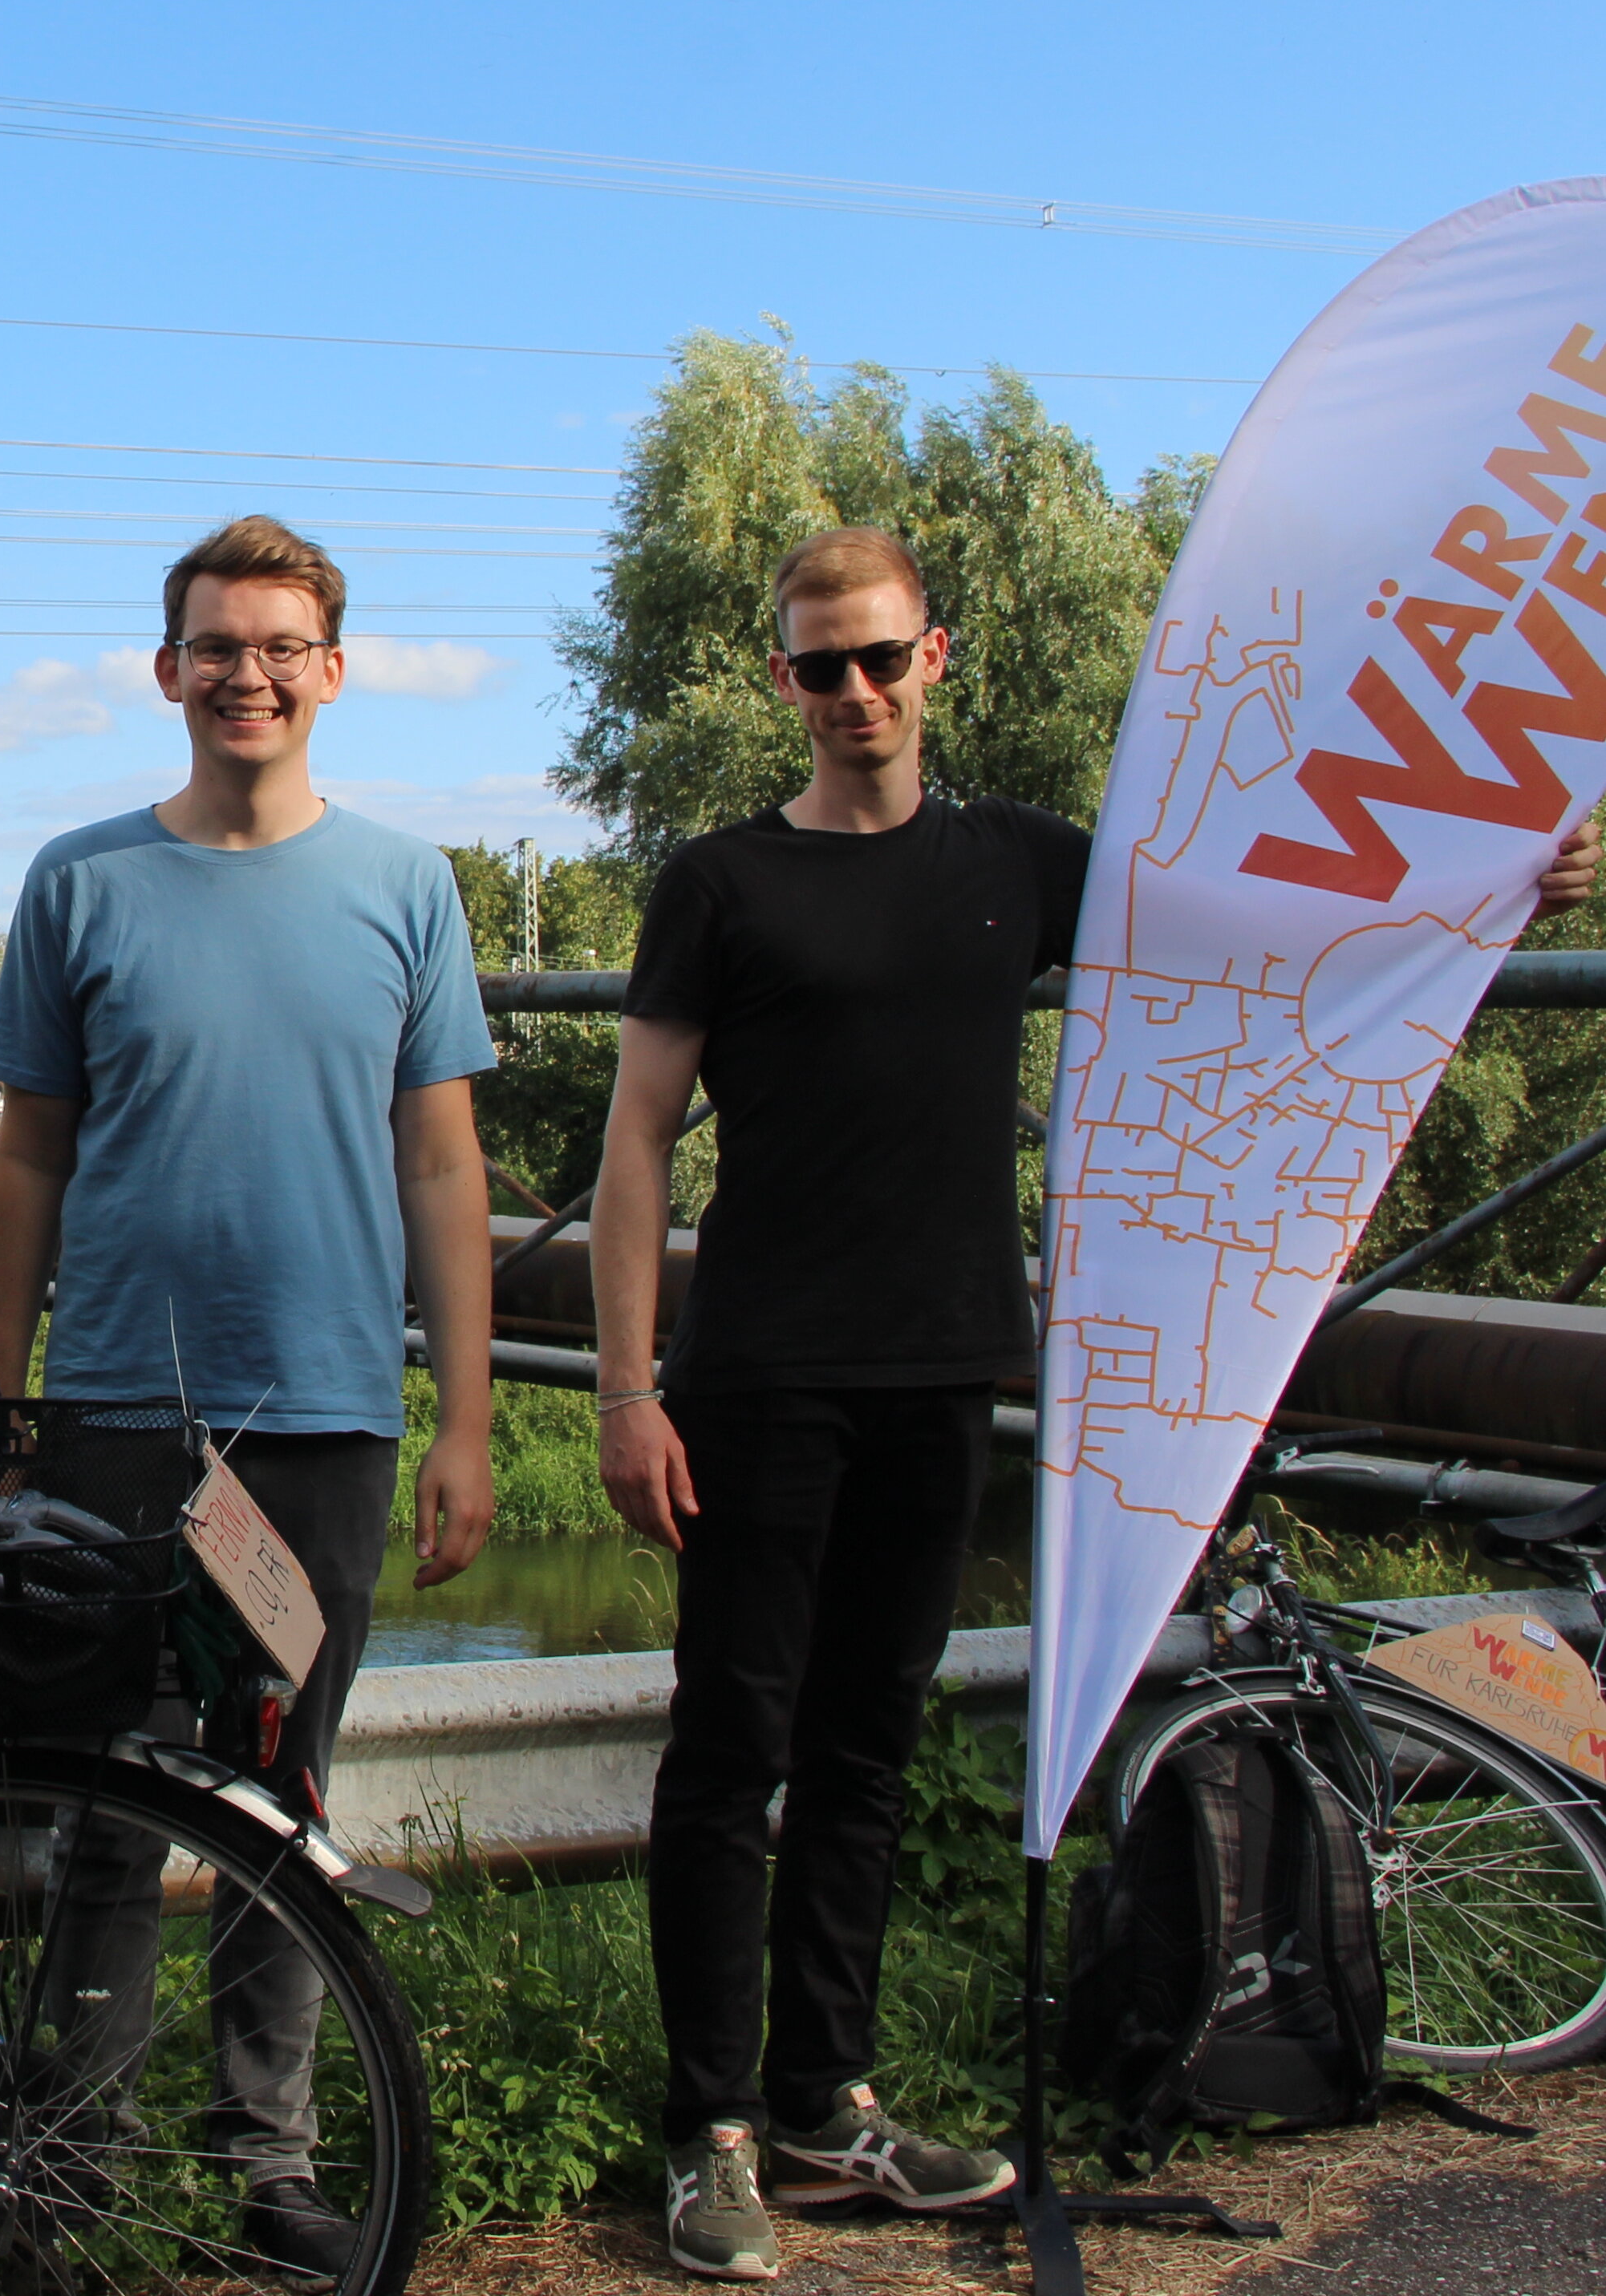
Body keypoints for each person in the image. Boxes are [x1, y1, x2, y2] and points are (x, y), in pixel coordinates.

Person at [591, 524, 1604, 2282]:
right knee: (732, 1753)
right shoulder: (721, 882)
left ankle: (828, 2106)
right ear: (782, 679)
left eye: (880, 657)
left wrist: (1496, 881)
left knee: (866, 1751)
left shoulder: (1021, 862)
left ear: (935, 657)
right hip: (758, 1376)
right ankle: (713, 2134)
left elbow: (1264, 917)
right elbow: (631, 1143)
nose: (853, 691)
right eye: (820, 665)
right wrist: (625, 1389)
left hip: (943, 1367)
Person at [0, 512, 498, 2284]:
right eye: (218, 645)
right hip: (119, 1412)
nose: (248, 675)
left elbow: (442, 1167)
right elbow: (25, 1165)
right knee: (103, 1806)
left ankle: (268, 2163)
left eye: (281, 647)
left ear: (332, 672)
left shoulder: (406, 885)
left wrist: (467, 1421)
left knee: (283, 1800)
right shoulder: (81, 881)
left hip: (328, 1415)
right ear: (167, 669)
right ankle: (70, 2162)